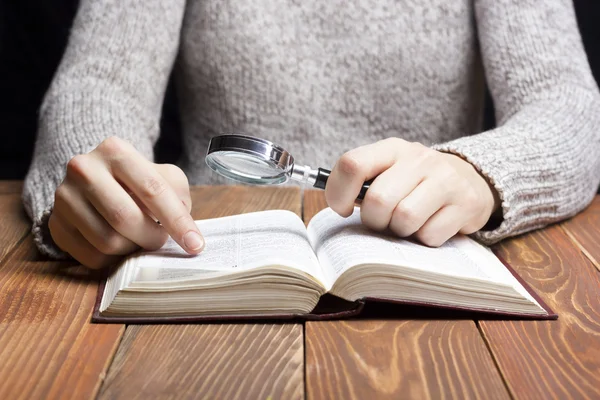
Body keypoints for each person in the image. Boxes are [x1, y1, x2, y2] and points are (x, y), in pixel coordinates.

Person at [23, 0, 600, 269]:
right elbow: (98, 82)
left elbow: (567, 102)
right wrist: (100, 181)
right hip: (205, 263)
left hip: (432, 265)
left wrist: (480, 173)